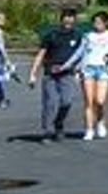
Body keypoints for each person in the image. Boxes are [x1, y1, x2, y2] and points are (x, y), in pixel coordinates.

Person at [63, 11, 108, 141]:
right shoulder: (88, 36)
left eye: (99, 22)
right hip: (88, 69)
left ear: (106, 23)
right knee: (89, 101)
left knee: (100, 101)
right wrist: (67, 65)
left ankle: (100, 121)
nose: (97, 24)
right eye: (95, 22)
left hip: (103, 70)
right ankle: (89, 129)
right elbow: (79, 53)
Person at [28, 8, 82, 141]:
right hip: (50, 74)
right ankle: (47, 131)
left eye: (71, 17)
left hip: (67, 74)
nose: (68, 20)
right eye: (66, 17)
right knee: (50, 103)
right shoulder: (51, 35)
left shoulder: (78, 35)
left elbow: (82, 55)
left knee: (67, 102)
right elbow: (40, 54)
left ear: (74, 20)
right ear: (61, 19)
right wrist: (33, 74)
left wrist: (78, 71)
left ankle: (59, 123)